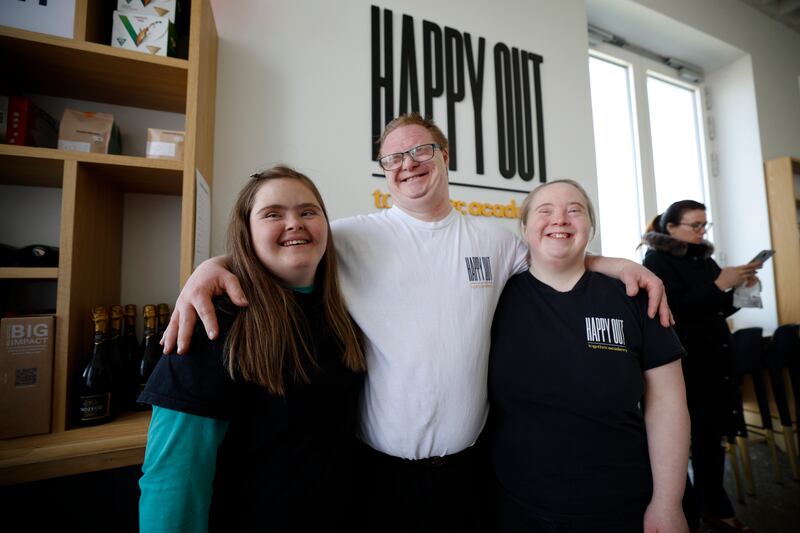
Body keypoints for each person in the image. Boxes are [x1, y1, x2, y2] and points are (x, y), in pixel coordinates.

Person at [163, 114, 672, 532]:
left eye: (421, 151)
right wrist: (210, 269)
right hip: (375, 473)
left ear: (444, 157)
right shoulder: (350, 237)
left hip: (469, 470)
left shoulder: (493, 242)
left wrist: (618, 265)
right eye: (393, 157)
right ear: (384, 170)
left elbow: (554, 255)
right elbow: (283, 247)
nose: (408, 164)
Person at [138, 166, 366, 532]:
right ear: (247, 233)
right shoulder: (212, 321)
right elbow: (173, 477)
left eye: (308, 211)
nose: (294, 223)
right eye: (273, 214)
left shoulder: (346, 312)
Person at [488, 180, 690, 533]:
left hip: (621, 505)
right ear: (524, 229)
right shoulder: (494, 301)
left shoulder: (635, 295)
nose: (560, 219)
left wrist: (668, 502)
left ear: (590, 227)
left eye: (574, 210)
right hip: (519, 506)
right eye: (545, 210)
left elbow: (669, 404)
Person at [641, 200, 761, 533]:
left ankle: (714, 507)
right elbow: (673, 310)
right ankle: (692, 511)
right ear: (670, 228)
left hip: (716, 359)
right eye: (695, 225)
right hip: (685, 364)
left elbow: (718, 310)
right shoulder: (656, 260)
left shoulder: (704, 259)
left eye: (704, 225)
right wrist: (719, 285)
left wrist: (741, 290)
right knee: (686, 443)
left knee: (712, 440)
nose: (701, 232)